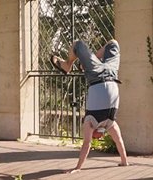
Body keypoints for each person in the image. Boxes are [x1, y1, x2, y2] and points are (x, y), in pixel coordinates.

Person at [51, 39, 129, 173]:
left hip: (96, 75)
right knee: (113, 43)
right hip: (112, 73)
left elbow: (86, 144)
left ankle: (67, 65)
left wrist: (77, 168)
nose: (97, 136)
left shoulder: (90, 122)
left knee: (77, 44)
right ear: (103, 135)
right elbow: (119, 142)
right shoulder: (110, 124)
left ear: (93, 134)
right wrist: (124, 162)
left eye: (95, 137)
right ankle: (88, 62)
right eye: (100, 137)